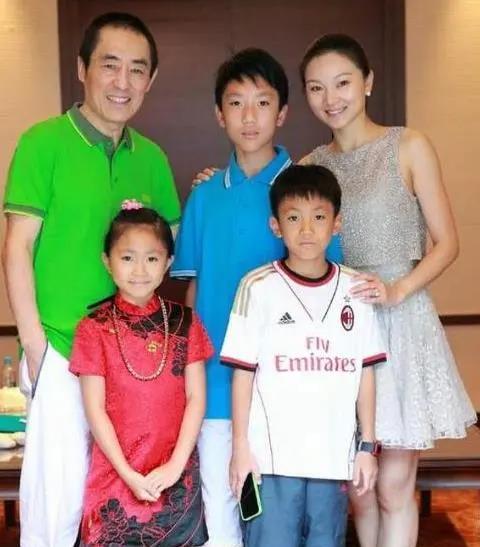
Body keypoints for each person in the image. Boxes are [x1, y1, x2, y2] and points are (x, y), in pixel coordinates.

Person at [2, 12, 180, 546]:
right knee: (56, 506)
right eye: (110, 65)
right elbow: (17, 247)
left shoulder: (153, 159)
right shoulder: (43, 143)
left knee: (122, 506)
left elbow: (169, 254)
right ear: (82, 69)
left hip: (133, 360)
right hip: (61, 348)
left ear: (150, 79)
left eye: (137, 69)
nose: (123, 82)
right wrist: (35, 346)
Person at [298, 33, 476, 547]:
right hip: (340, 331)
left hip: (400, 322)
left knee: (395, 485)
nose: (330, 98)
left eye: (342, 83)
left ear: (368, 82)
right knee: (358, 488)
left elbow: (448, 242)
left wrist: (399, 290)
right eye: (316, 88)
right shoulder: (310, 165)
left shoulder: (409, 145)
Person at [171, 48, 343, 546]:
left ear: (282, 113)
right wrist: (187, 370)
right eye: (236, 103)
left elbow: (330, 289)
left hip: (289, 387)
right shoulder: (205, 196)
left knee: (283, 522)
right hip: (216, 384)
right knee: (222, 511)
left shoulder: (305, 194)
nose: (249, 117)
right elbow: (194, 288)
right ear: (219, 114)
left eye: (263, 103)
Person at [221, 164, 383, 547]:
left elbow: (365, 374)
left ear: (337, 223)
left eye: (319, 217)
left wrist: (367, 447)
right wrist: (240, 449)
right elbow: (243, 374)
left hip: (333, 459)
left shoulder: (357, 290)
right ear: (276, 226)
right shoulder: (256, 287)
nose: (307, 229)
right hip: (270, 462)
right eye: (294, 218)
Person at [69, 202, 211, 546]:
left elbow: (196, 399)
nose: (140, 270)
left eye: (152, 258)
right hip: (115, 474)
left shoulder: (186, 322)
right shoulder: (93, 327)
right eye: (127, 257)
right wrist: (128, 474)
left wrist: (176, 466)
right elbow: (94, 409)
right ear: (107, 261)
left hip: (174, 475)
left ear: (168, 262)